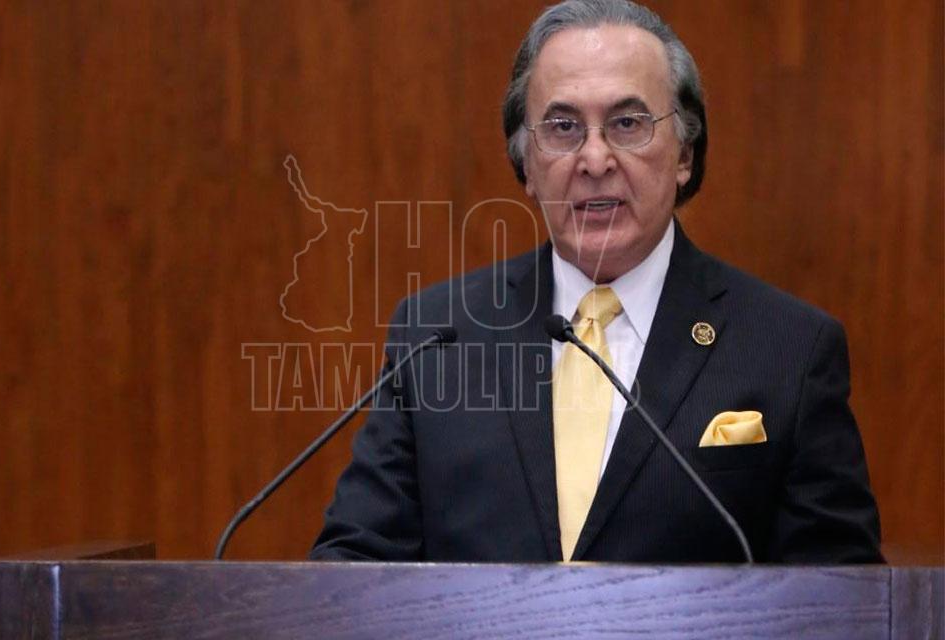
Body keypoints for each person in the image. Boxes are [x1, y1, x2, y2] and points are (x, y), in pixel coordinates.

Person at [311, 0, 882, 563]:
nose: (595, 159)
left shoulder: (789, 349)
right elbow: (353, 563)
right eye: (562, 128)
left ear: (684, 153)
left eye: (628, 124)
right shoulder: (439, 338)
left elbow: (840, 592)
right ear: (527, 164)